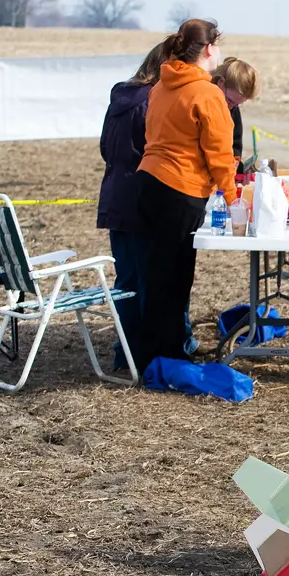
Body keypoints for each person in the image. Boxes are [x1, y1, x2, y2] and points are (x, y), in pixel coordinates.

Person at [133, 18, 236, 373]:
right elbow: (220, 152)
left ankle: (153, 350)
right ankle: (168, 356)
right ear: (209, 49)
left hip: (148, 182)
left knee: (155, 272)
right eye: (218, 46)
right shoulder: (207, 93)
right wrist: (232, 194)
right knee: (176, 275)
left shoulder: (160, 87)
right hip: (181, 188)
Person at [97, 42, 168, 371]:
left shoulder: (121, 98)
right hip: (142, 200)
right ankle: (143, 354)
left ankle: (124, 352)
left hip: (115, 198)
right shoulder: (154, 100)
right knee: (147, 280)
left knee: (126, 281)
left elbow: (104, 147)